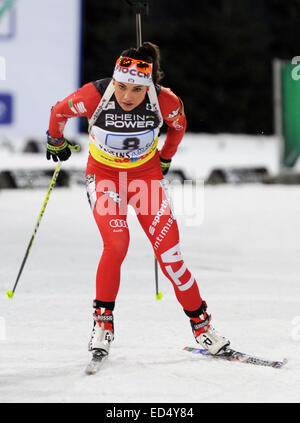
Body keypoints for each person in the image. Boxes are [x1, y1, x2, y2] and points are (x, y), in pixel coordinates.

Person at [46, 41, 230, 358]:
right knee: (116, 244)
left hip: (145, 180)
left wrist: (166, 159)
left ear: (149, 87)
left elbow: (178, 126)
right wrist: (55, 140)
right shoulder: (95, 94)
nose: (127, 96)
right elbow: (59, 111)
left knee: (171, 256)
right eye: (121, 86)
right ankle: (102, 324)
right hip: (105, 179)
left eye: (136, 89)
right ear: (113, 80)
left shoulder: (165, 100)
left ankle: (202, 327)